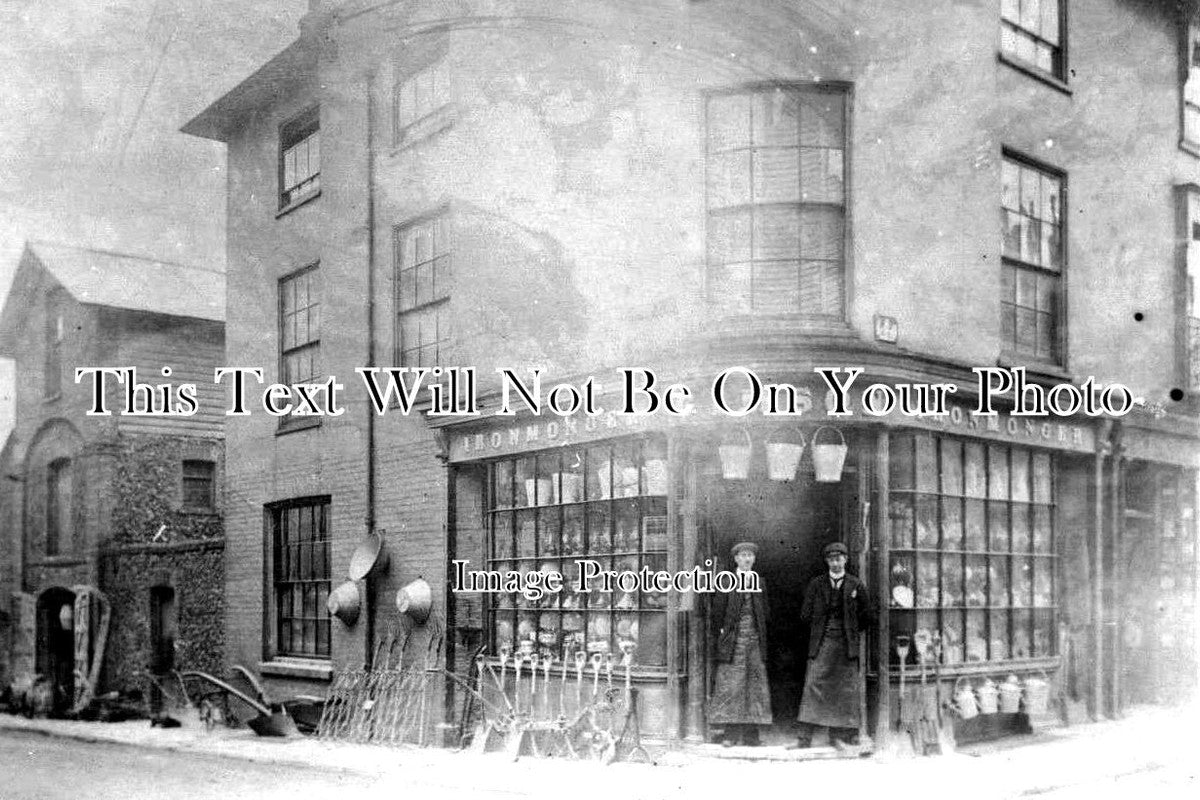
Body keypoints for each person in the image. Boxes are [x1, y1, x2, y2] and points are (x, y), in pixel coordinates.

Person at [792, 541, 873, 749]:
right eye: (831, 560)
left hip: (846, 645)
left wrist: (852, 631)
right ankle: (804, 738)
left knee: (843, 690)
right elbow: (805, 614)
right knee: (813, 685)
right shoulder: (816, 585)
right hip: (823, 642)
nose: (835, 563)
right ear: (826, 561)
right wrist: (820, 626)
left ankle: (839, 735)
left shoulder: (856, 585)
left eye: (838, 559)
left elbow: (868, 616)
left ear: (845, 559)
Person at [709, 541, 771, 746]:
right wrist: (724, 633)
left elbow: (765, 612)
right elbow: (718, 611)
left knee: (755, 686)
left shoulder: (759, 582)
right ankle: (730, 735)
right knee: (732, 686)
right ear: (736, 559)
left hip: (754, 640)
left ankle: (752, 736)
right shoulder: (726, 581)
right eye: (743, 555)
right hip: (734, 641)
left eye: (750, 556)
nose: (747, 559)